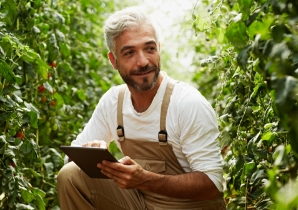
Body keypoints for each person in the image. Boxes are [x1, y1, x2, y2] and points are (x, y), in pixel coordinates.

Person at [57, 6, 226, 210]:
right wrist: (90, 151)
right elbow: (70, 159)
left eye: (149, 48)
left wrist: (145, 180)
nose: (143, 61)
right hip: (140, 204)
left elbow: (212, 185)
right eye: (129, 53)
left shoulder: (187, 103)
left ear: (159, 49)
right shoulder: (113, 102)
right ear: (113, 61)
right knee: (71, 175)